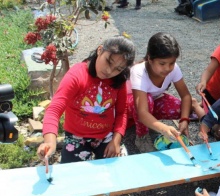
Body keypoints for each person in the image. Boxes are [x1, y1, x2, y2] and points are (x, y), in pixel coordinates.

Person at [38, 36, 135, 164]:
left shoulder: (119, 80)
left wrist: (116, 141)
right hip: (76, 136)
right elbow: (54, 109)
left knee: (117, 171)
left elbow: (122, 112)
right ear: (100, 50)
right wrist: (50, 141)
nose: (109, 71)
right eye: (108, 62)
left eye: (118, 69)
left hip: (105, 136)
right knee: (74, 175)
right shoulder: (77, 75)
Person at [127, 32, 192, 153]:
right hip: (130, 107)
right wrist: (163, 128)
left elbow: (186, 96)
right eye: (162, 64)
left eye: (171, 63)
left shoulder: (174, 69)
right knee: (147, 101)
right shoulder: (138, 72)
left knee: (179, 107)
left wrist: (184, 119)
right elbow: (141, 112)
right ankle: (142, 137)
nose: (167, 68)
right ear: (150, 59)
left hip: (150, 104)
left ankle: (149, 122)